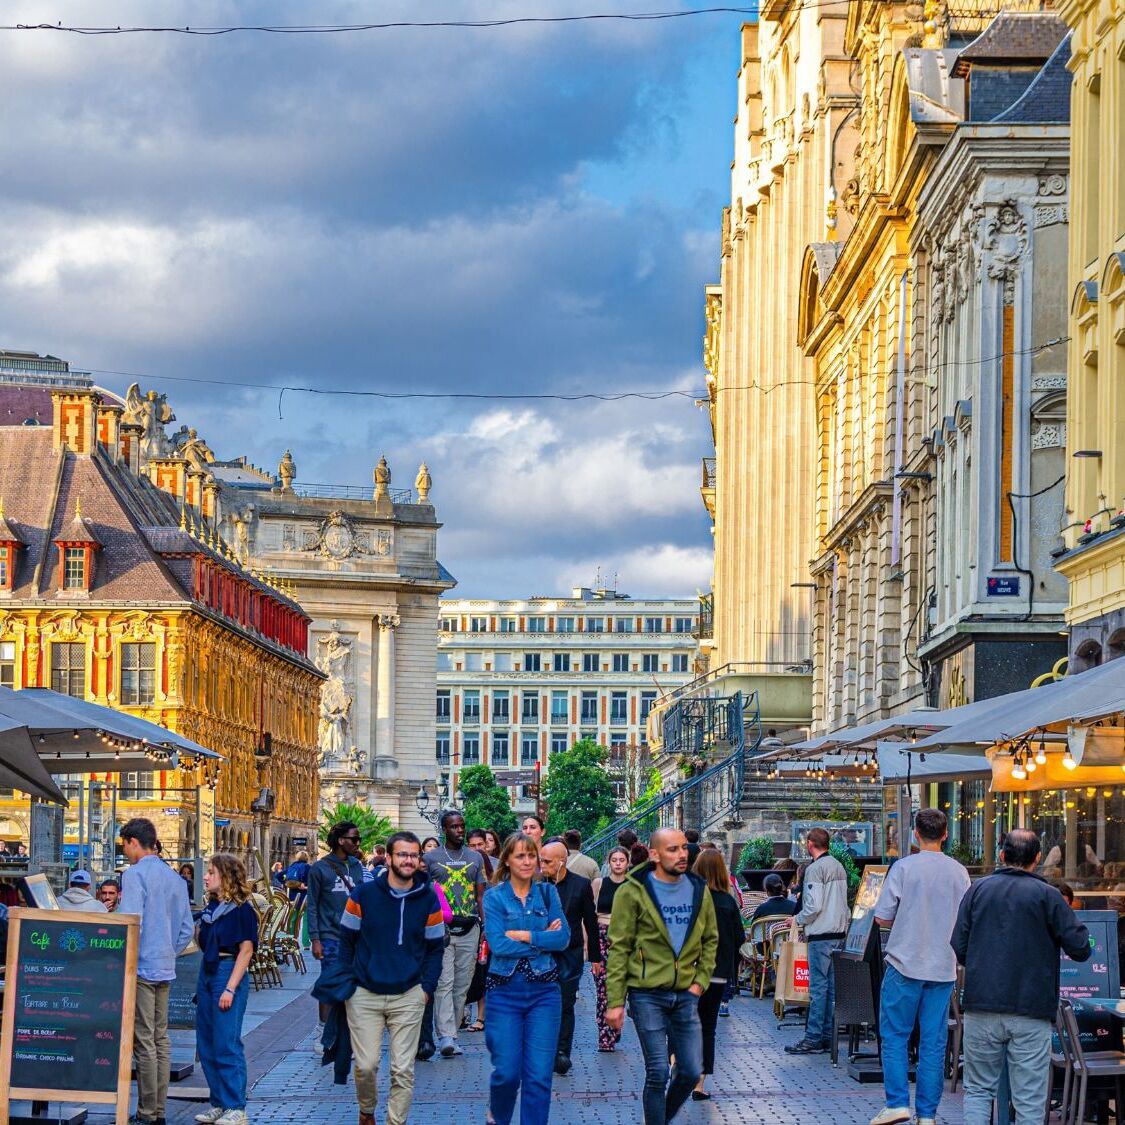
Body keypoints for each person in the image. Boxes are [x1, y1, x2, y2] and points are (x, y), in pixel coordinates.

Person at [952, 828, 1091, 1124]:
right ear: (1038, 858)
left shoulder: (977, 890)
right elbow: (1080, 947)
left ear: (1002, 855)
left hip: (982, 1004)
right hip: (1031, 1008)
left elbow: (959, 946)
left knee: (977, 1090)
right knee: (1029, 1099)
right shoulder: (1048, 896)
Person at [606, 828, 718, 1125]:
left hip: (685, 993)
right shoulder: (631, 891)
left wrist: (699, 982)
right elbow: (619, 949)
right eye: (672, 849)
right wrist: (615, 1001)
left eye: (683, 848)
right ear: (654, 854)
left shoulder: (698, 888)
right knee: (658, 1070)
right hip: (646, 993)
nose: (681, 854)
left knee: (692, 1070)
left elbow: (710, 939)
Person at [869, 809, 970, 1125]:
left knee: (895, 1035)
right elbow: (967, 921)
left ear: (915, 833)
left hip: (904, 962)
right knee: (933, 1042)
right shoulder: (959, 872)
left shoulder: (903, 867)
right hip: (942, 967)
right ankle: (927, 1114)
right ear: (945, 835)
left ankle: (897, 1102)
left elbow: (883, 917)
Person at [338, 831, 445, 1125]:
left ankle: (395, 1122)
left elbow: (436, 948)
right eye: (402, 854)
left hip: (409, 992)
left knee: (402, 1069)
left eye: (413, 855)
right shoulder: (363, 895)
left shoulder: (429, 899)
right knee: (366, 1065)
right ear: (388, 857)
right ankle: (367, 1109)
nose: (409, 860)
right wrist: (346, 983)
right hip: (364, 991)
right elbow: (346, 941)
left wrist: (427, 987)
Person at [483, 832, 570, 1125]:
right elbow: (498, 945)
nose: (527, 861)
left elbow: (563, 939)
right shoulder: (494, 896)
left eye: (532, 855)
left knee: (538, 1076)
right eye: (520, 855)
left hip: (545, 991)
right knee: (506, 1072)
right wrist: (543, 937)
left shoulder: (547, 893)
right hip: (504, 991)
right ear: (507, 859)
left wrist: (524, 935)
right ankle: (498, 1115)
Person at [118, 817, 194, 1125]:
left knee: (145, 1041)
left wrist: (139, 954)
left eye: (124, 845)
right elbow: (188, 928)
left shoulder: (135, 875)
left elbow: (130, 921)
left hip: (142, 967)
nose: (124, 852)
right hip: (165, 966)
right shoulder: (174, 878)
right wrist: (168, 951)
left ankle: (148, 1113)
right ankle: (158, 1111)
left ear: (134, 842)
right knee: (161, 1039)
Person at [193, 854, 258, 1125]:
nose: (206, 876)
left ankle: (236, 1106)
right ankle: (218, 1102)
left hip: (226, 971)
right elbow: (201, 941)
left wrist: (230, 988)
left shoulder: (242, 910)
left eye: (211, 872)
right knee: (206, 1042)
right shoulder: (211, 909)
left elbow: (246, 950)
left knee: (226, 1043)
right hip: (207, 972)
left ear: (226, 876)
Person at [423, 809, 487, 1057]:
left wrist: (485, 926)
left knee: (462, 985)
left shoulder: (476, 858)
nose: (459, 830)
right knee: (444, 982)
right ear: (444, 829)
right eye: (454, 826)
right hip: (442, 930)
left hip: (470, 927)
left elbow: (480, 893)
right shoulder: (431, 858)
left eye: (462, 826)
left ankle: (452, 1031)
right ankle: (447, 1036)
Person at [784, 827, 849, 1056]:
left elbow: (813, 905)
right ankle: (826, 1036)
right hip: (838, 933)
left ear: (810, 844)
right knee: (830, 989)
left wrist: (798, 918)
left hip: (821, 934)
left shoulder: (814, 869)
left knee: (818, 988)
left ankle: (813, 1038)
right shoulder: (838, 866)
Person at [539, 839, 600, 1075]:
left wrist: (595, 957)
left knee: (565, 1003)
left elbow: (590, 922)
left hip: (569, 954)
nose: (541, 865)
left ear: (561, 862)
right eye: (540, 860)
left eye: (546, 861)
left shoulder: (580, 885)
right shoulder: (536, 885)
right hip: (541, 953)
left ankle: (562, 1052)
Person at [691, 849, 745, 1102]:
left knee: (681, 1022)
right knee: (707, 1027)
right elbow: (740, 937)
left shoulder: (690, 898)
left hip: (688, 971)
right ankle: (699, 1084)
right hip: (717, 973)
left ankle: (674, 1065)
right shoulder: (726, 901)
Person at [307, 822, 366, 1048]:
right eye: (354, 839)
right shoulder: (319, 869)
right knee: (329, 983)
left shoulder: (357, 866)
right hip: (330, 936)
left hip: (356, 937)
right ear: (341, 840)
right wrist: (315, 939)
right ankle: (323, 1029)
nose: (357, 843)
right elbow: (312, 905)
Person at [591, 846, 630, 1051]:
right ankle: (604, 1036)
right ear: (609, 862)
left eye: (621, 860)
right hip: (602, 937)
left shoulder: (632, 886)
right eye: (614, 859)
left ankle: (615, 1026)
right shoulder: (599, 884)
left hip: (624, 939)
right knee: (603, 989)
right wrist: (590, 949)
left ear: (627, 863)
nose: (617, 863)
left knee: (620, 987)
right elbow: (591, 914)